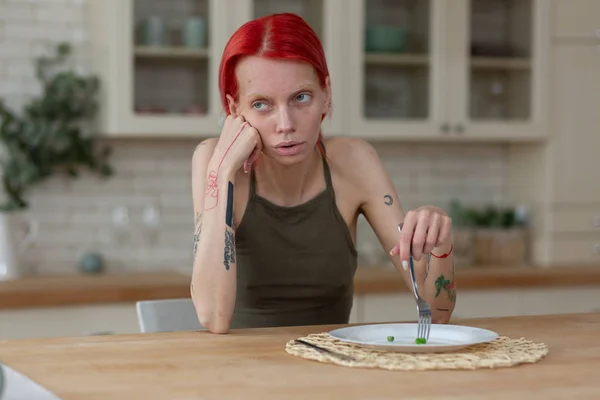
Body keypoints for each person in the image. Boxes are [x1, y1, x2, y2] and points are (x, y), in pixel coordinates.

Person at [190, 13, 456, 334]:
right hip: (240, 374)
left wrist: (439, 240)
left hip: (335, 370)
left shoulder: (355, 160)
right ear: (234, 110)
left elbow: (437, 313)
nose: (286, 124)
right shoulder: (213, 160)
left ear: (325, 95)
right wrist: (223, 167)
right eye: (261, 104)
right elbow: (213, 317)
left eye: (301, 98)